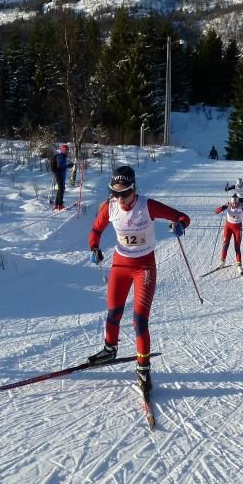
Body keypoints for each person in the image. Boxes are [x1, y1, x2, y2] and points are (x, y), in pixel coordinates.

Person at [87, 165, 190, 393]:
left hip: (144, 267)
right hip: (120, 266)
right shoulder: (110, 208)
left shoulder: (147, 205)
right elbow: (95, 231)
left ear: (134, 189)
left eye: (124, 193)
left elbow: (182, 216)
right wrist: (94, 247)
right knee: (113, 313)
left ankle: (143, 368)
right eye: (115, 193)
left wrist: (180, 224)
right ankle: (109, 348)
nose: (120, 198)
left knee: (139, 321)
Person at [214, 194, 243, 272]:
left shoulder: (242, 206)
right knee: (225, 244)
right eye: (233, 203)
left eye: (236, 203)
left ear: (238, 202)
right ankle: (222, 262)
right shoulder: (228, 205)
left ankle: (239, 265)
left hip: (237, 228)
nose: (235, 205)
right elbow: (216, 211)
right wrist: (222, 208)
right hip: (228, 227)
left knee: (237, 246)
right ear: (231, 202)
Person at [53, 144, 74, 210]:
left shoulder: (63, 156)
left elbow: (62, 165)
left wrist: (68, 165)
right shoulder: (60, 156)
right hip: (59, 174)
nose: (67, 151)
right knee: (61, 189)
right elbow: (60, 165)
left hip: (61, 174)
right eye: (66, 150)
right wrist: (68, 165)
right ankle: (60, 205)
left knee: (61, 189)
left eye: (67, 150)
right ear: (63, 150)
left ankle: (57, 205)